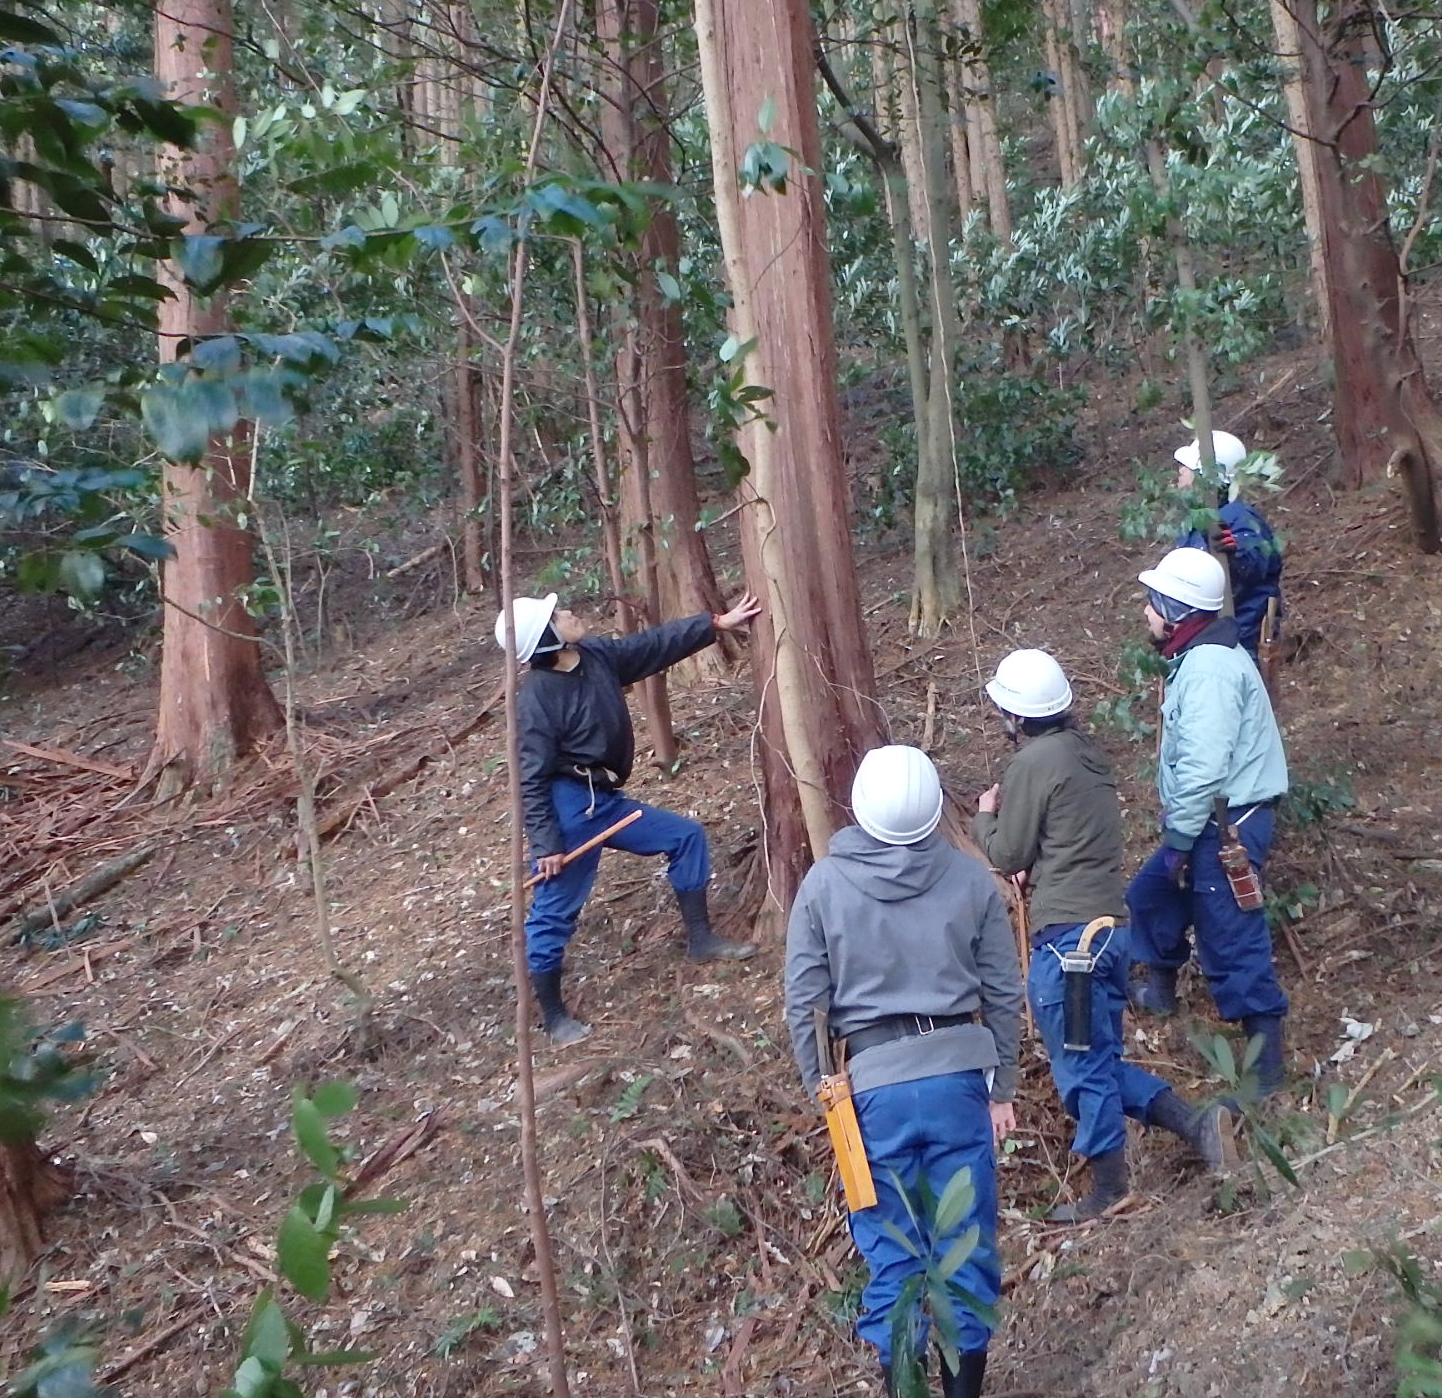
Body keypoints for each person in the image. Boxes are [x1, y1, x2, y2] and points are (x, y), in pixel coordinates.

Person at [784, 745, 1022, 1398]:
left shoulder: (824, 885)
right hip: (957, 1084)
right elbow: (1003, 991)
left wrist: (823, 1095)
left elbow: (806, 1005)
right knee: (964, 1250)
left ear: (860, 807)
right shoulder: (972, 879)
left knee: (893, 1256)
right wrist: (1004, 1085)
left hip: (869, 1094)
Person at [973, 650, 1228, 1221]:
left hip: (1070, 948)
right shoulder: (1088, 755)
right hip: (1108, 937)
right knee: (1099, 1062)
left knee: (1084, 1070)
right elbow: (1065, 842)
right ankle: (1197, 1125)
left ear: (1015, 715)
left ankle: (1112, 1189)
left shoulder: (1033, 763)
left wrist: (985, 816)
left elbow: (1007, 851)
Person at [498, 590, 763, 1045]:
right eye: (559, 615)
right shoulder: (536, 700)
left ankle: (701, 940)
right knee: (554, 911)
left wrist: (714, 624)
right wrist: (546, 845)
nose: (570, 613)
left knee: (686, 838)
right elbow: (530, 778)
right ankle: (553, 1016)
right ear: (547, 639)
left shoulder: (595, 655)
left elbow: (648, 647)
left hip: (605, 799)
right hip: (570, 810)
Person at [1125, 548, 1291, 1098]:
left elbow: (1203, 767)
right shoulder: (1201, 659)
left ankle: (1265, 1073)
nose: (1146, 613)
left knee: (1232, 937)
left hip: (1226, 827)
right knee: (1152, 896)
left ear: (1174, 612)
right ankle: (1163, 989)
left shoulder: (1211, 669)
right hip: (1213, 822)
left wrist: (1177, 843)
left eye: (1153, 604)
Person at [1173, 430, 1283, 653]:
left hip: (1239, 643)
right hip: (1206, 641)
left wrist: (1235, 552)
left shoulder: (1237, 516)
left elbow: (1255, 561)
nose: (1180, 473)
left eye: (1187, 469)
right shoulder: (1197, 522)